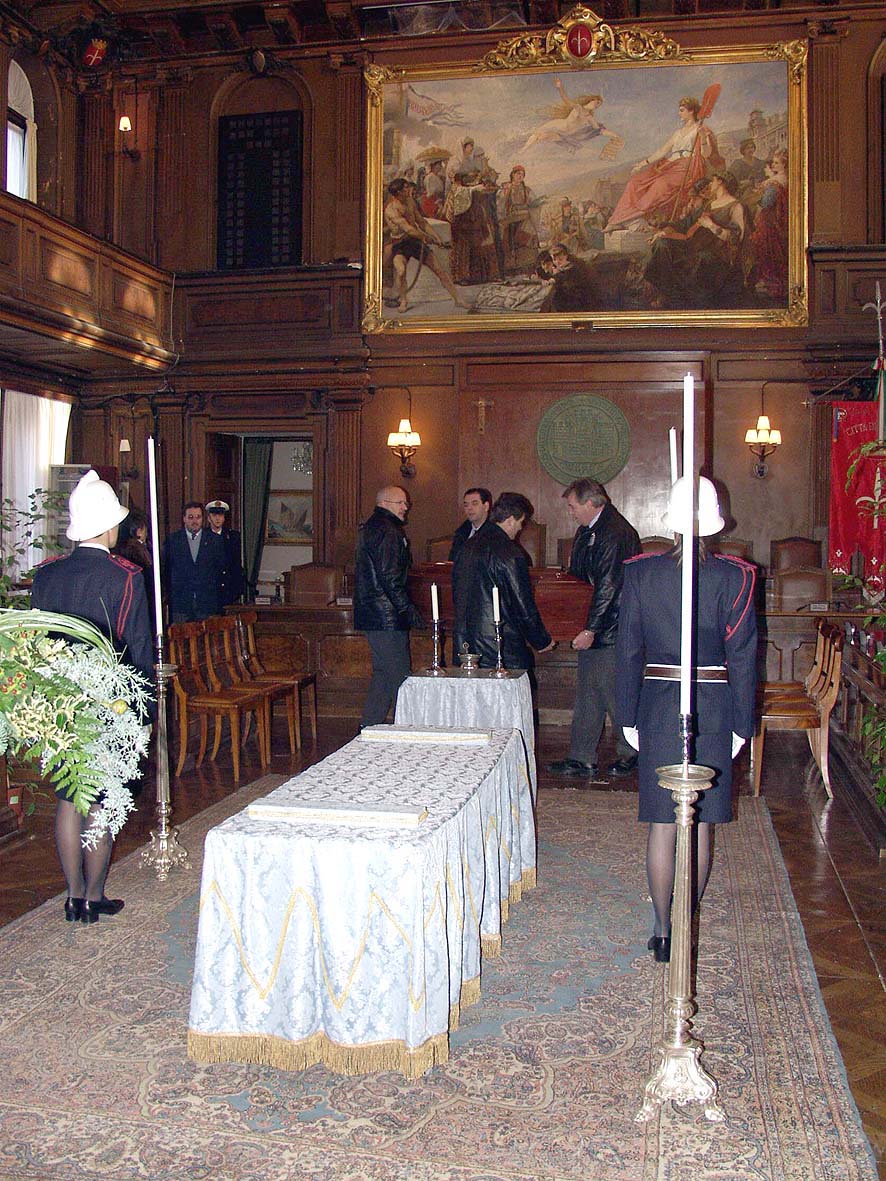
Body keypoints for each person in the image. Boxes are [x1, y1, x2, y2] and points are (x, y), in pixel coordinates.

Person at [615, 476, 757, 962]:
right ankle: (684, 923)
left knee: (662, 821)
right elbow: (743, 659)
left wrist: (627, 713)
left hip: (656, 704)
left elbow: (628, 651)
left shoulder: (641, 573)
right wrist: (742, 724)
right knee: (696, 824)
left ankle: (662, 929)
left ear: (672, 522)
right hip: (713, 706)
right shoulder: (736, 577)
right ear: (715, 524)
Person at [31, 470, 153, 925]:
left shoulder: (47, 575)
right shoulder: (126, 577)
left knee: (69, 797)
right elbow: (138, 649)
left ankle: (72, 896)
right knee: (101, 800)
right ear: (108, 526)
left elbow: (37, 643)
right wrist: (145, 712)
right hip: (109, 705)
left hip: (60, 703)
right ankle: (94, 896)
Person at [547, 478, 640, 780]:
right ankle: (581, 756)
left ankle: (633, 752)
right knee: (589, 695)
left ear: (590, 503)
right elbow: (580, 579)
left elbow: (608, 587)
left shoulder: (615, 533)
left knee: (615, 694)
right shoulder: (588, 531)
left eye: (573, 506)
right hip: (595, 625)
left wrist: (591, 628)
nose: (571, 512)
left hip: (612, 628)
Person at [452, 491, 555, 669]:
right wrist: (541, 640)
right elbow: (521, 603)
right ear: (511, 520)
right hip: (500, 647)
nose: (520, 528)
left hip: (466, 644)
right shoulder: (510, 552)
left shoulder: (466, 546)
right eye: (521, 522)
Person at [353, 485, 423, 726]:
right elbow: (391, 577)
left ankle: (368, 727)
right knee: (400, 677)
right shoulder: (388, 530)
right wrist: (407, 609)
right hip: (386, 615)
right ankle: (410, 730)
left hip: (375, 613)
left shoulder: (373, 527)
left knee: (383, 675)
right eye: (400, 503)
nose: (405, 507)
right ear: (384, 503)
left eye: (406, 503)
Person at [605, 96, 722, 232]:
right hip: (670, 164)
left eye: (682, 110)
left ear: (691, 111)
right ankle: (618, 219)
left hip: (687, 166)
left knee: (661, 184)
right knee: (635, 182)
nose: (679, 113)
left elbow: (706, 154)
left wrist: (702, 136)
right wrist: (643, 163)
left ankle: (632, 216)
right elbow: (662, 151)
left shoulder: (701, 129)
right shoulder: (678, 133)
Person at [383, 177, 469, 312]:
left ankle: (458, 299)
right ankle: (403, 300)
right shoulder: (391, 210)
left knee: (440, 270)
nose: (409, 189)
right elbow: (409, 229)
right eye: (406, 188)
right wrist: (426, 237)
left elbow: (421, 222)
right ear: (398, 192)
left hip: (415, 242)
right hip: (400, 244)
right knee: (401, 271)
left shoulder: (410, 201)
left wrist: (437, 237)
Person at [162, 502, 225, 623]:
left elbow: (220, 571)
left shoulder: (215, 541)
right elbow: (166, 571)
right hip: (181, 604)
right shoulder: (173, 541)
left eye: (198, 517)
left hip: (207, 605)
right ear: (184, 519)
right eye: (191, 517)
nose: (195, 521)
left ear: (203, 519)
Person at [204, 498, 245, 607]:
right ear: (209, 518)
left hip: (228, 590)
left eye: (221, 515)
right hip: (209, 591)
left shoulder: (233, 537)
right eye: (214, 515)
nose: (217, 518)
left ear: (224, 518)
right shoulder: (202, 537)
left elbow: (236, 564)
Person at [448, 486, 492, 561]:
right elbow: (452, 561)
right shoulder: (461, 533)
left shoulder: (494, 534)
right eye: (466, 505)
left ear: (486, 506)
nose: (469, 508)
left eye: (474, 504)